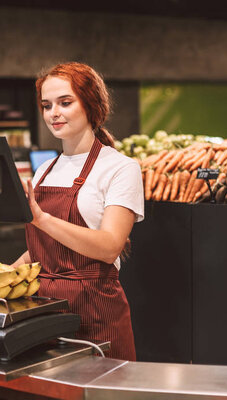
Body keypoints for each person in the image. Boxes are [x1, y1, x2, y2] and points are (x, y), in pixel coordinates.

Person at [12, 62, 144, 361]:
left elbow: (110, 247)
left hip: (95, 311)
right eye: (47, 105)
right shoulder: (45, 170)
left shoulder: (121, 168)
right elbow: (41, 251)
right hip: (43, 310)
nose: (53, 113)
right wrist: (3, 274)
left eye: (65, 102)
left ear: (91, 104)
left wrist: (42, 219)